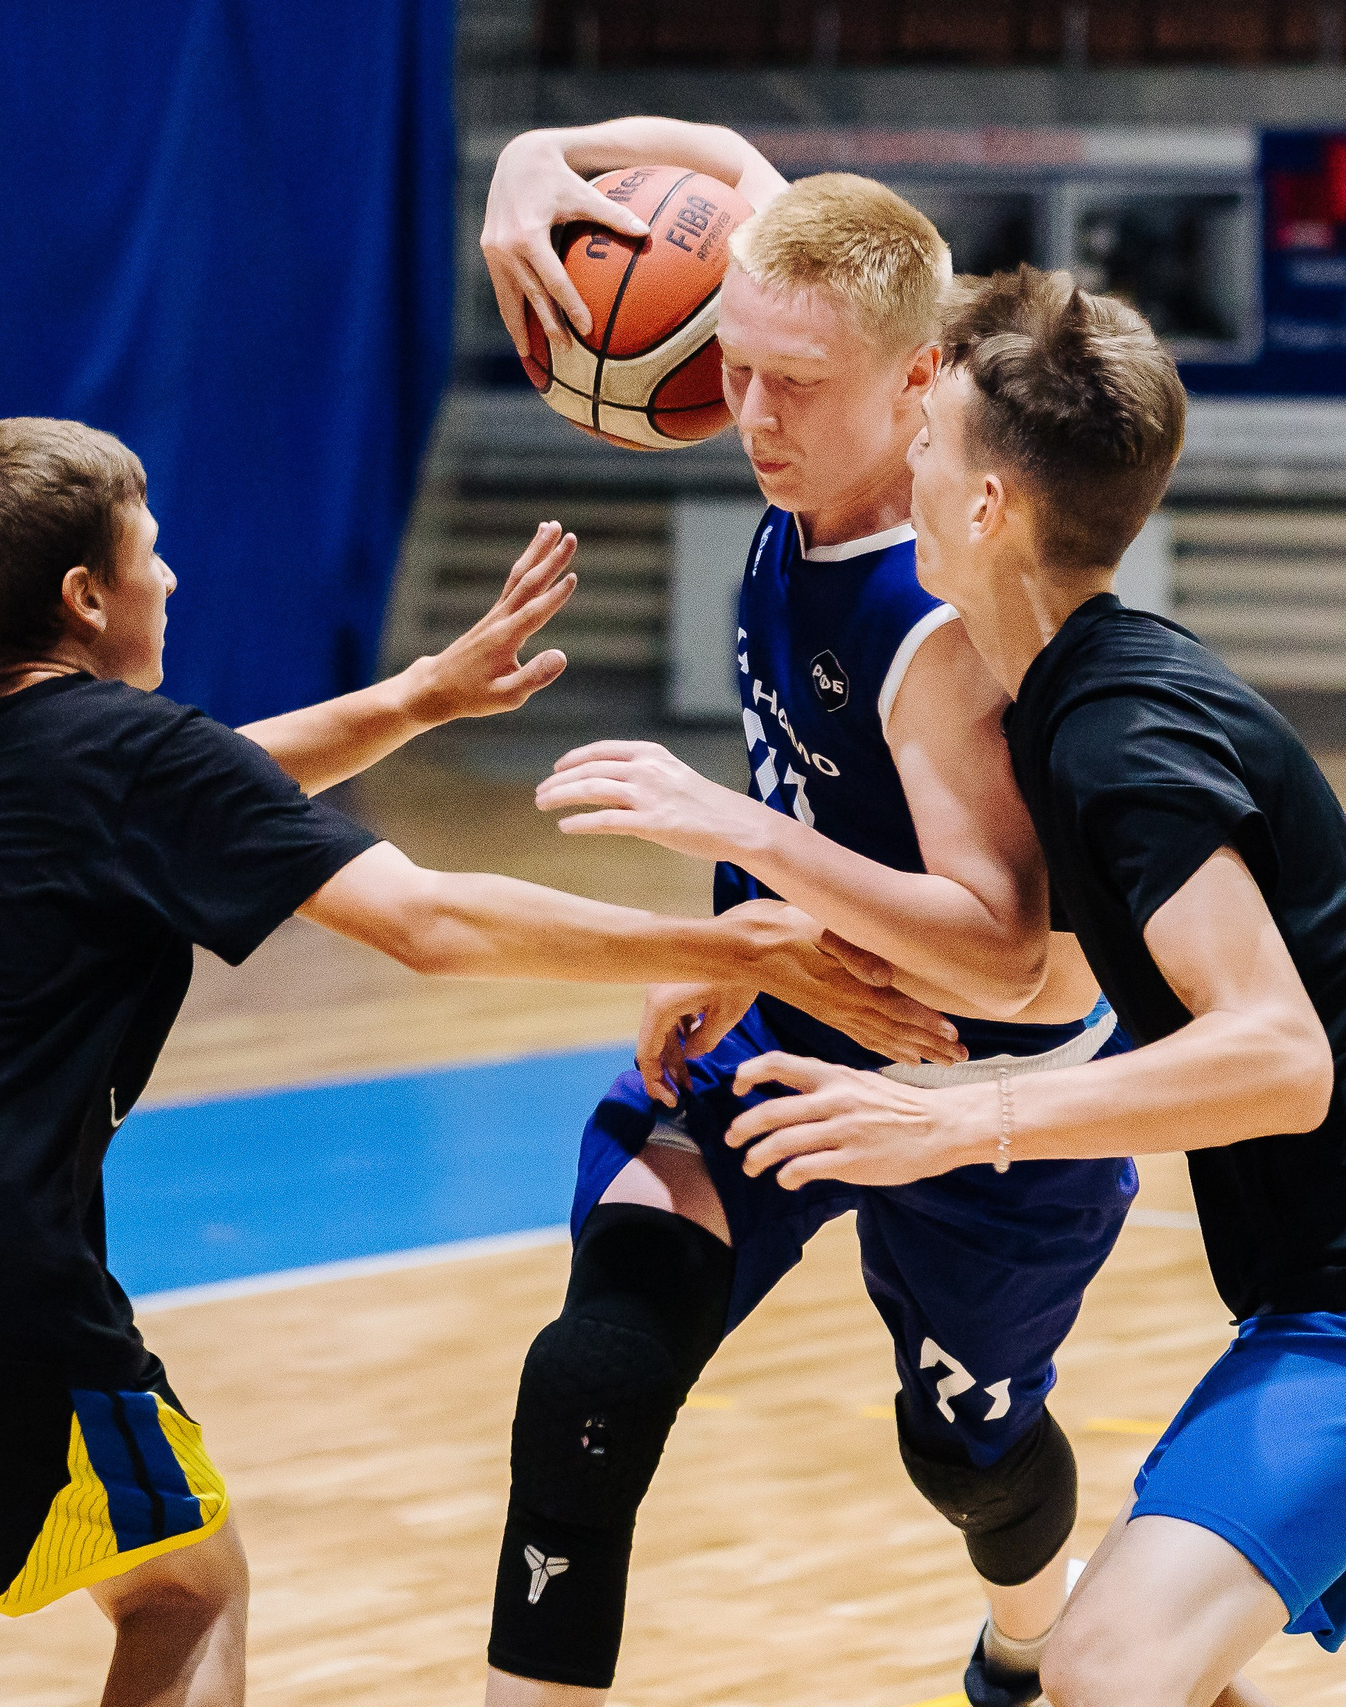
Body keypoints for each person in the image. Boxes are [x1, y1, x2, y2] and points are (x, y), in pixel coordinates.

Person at [0, 417, 957, 1707]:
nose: (174, 578)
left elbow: (202, 786)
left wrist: (414, 697)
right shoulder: (130, 759)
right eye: (152, 554)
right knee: (182, 1589)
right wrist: (740, 950)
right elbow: (428, 922)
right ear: (90, 599)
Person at [723, 268, 1346, 1707]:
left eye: (925, 445)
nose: (902, 466)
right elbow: (803, 239)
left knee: (1102, 1664)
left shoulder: (1120, 733)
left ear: (986, 507)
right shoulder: (1076, 693)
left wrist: (961, 1119)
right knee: (1145, 1674)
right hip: (1342, 1285)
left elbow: (1278, 1058)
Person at [479, 123, 1139, 1707]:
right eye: (735, 367)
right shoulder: (816, 312)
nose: (744, 415)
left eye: (792, 387)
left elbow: (1004, 946)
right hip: (784, 1015)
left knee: (967, 1461)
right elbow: (716, 156)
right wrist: (523, 167)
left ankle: (1033, 1642)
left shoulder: (936, 619)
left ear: (919, 388)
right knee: (591, 1373)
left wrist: (735, 837)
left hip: (974, 1081)